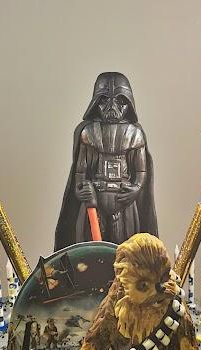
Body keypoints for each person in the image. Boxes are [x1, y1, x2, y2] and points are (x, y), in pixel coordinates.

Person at [55, 72, 158, 250]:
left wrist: (135, 190)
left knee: (126, 253)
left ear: (128, 103)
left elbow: (141, 171)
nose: (112, 107)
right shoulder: (89, 132)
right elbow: (81, 170)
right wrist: (82, 190)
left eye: (120, 101)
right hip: (95, 201)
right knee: (92, 253)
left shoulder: (134, 134)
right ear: (96, 103)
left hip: (124, 203)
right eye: (104, 100)